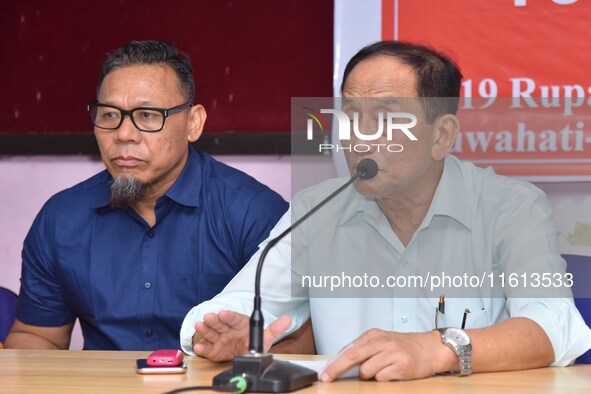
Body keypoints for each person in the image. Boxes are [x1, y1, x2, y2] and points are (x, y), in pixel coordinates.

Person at [180, 41, 591, 381]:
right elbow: (224, 311)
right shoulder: (315, 211)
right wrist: (222, 333)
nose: (359, 138)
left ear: (442, 136)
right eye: (351, 117)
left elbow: (555, 326)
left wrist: (438, 347)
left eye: (386, 119)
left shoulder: (510, 206)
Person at [4, 40, 288, 350]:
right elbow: (37, 336)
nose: (124, 134)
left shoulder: (253, 212)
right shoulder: (62, 219)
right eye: (110, 115)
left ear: (193, 123)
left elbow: (297, 341)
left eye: (149, 115)